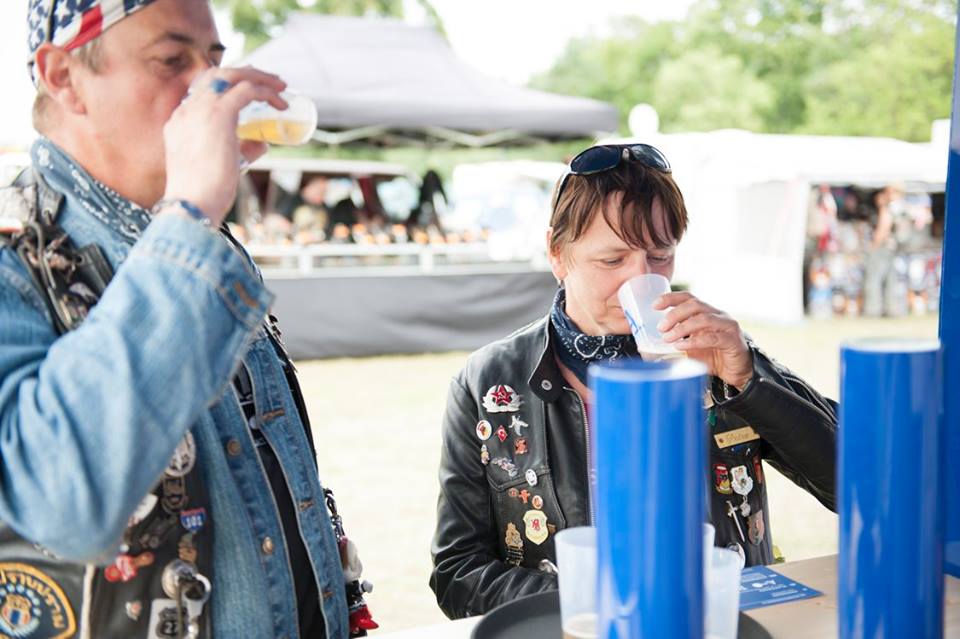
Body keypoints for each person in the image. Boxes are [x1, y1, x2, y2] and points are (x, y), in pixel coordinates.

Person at [0, 1, 373, 637]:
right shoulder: (17, 255)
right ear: (63, 76)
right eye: (172, 60)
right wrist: (192, 210)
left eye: (214, 62)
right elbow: (62, 505)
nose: (211, 89)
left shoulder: (203, 239)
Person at [429, 143, 838, 618]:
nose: (639, 278)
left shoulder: (717, 354)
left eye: (660, 256)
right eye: (612, 260)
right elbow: (457, 572)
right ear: (557, 255)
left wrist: (750, 376)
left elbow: (859, 488)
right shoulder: (490, 381)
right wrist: (593, 606)